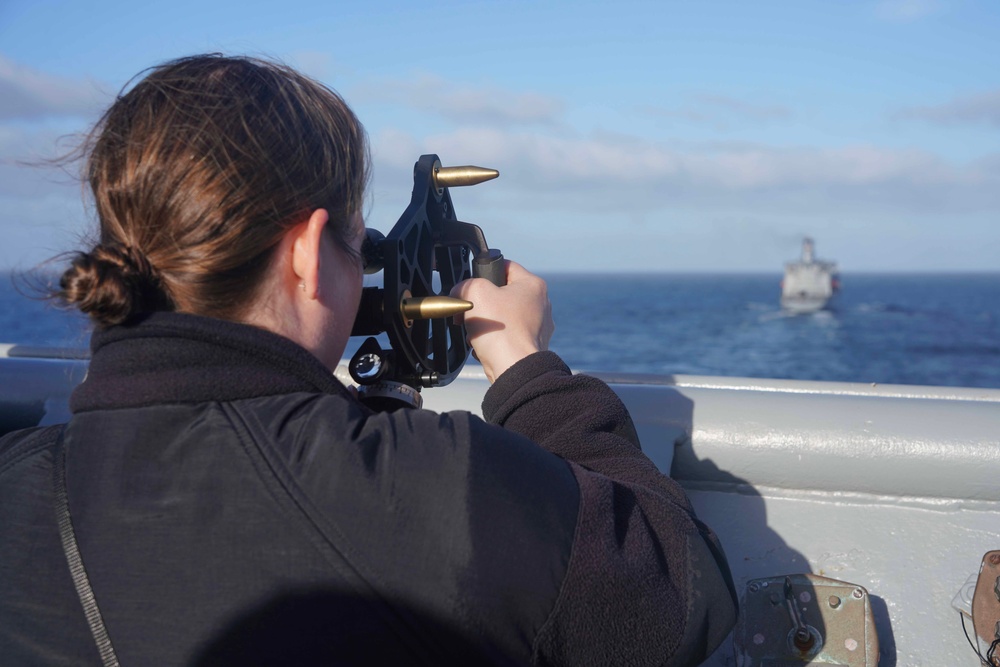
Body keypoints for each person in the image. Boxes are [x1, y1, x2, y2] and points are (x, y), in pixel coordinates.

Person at [0, 54, 737, 666]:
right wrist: (524, 364)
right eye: (361, 244)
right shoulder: (435, 487)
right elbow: (681, 595)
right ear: (306, 254)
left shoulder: (19, 484)